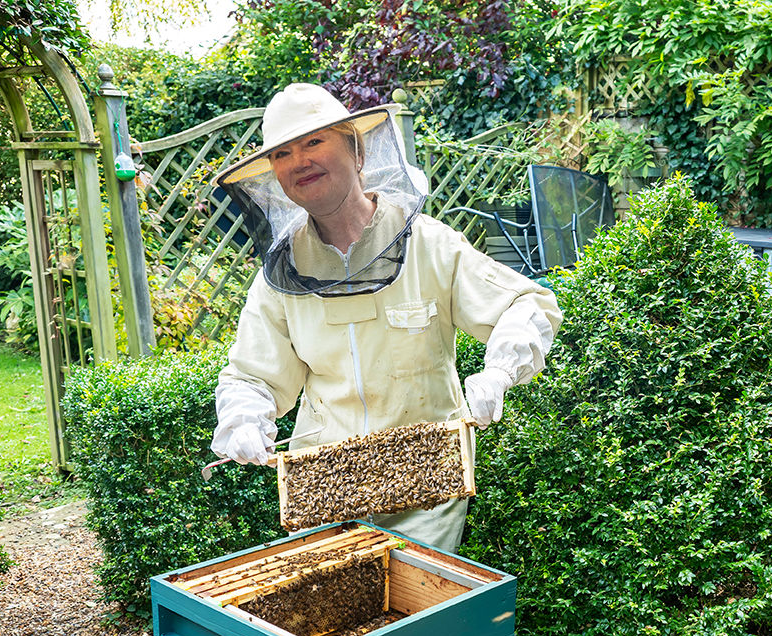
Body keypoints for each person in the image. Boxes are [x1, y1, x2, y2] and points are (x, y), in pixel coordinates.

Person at [210, 83, 562, 553]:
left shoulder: (428, 244)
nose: (299, 161)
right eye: (283, 153)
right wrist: (245, 419)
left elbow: (527, 305)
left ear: (356, 151)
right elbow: (254, 376)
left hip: (428, 489)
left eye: (314, 142)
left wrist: (499, 373)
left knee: (414, 614)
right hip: (325, 488)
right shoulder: (281, 274)